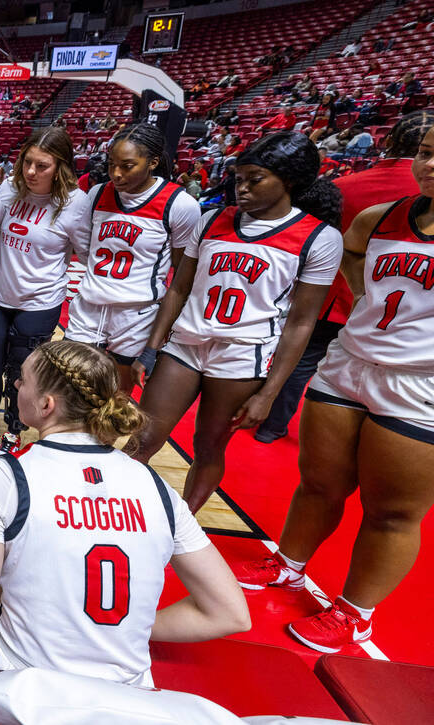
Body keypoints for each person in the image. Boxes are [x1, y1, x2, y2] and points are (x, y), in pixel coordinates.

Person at [233, 122, 434, 653]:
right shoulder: (382, 217)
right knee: (318, 482)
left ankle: (356, 612)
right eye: (426, 153)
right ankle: (290, 565)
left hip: (420, 385)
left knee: (391, 511)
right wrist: (366, 296)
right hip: (351, 361)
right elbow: (352, 255)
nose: (429, 166)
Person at [0, 340, 250, 684]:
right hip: (127, 695)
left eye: (22, 380)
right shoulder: (155, 485)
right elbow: (230, 615)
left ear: (47, 405)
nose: (16, 386)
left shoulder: (5, 475)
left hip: (27, 688)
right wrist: (120, 628)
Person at [129, 132, 345, 513]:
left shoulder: (319, 237)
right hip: (185, 344)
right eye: (238, 178)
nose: (241, 188)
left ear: (289, 181)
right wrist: (151, 348)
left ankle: (185, 525)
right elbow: (178, 289)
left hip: (244, 355)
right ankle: (115, 511)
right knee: (142, 437)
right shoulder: (212, 218)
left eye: (254, 179)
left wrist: (269, 393)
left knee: (209, 445)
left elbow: (300, 323)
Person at [254, 112, 431, 443]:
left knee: (301, 362)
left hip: (329, 293)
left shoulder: (343, 185)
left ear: (388, 141)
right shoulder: (421, 194)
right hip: (402, 320)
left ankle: (271, 424)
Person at [0, 128, 90, 457]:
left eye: (42, 166)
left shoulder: (75, 203)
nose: (31, 172)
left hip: (40, 303)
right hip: (0, 296)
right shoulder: (11, 188)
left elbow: (86, 253)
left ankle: (14, 433)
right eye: (27, 162)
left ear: (61, 167)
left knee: (21, 374)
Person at [66, 124, 202, 392]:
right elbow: (84, 248)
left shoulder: (180, 205)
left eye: (127, 166)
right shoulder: (96, 194)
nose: (116, 174)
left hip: (136, 314)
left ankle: (103, 436)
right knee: (71, 387)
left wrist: (158, 341)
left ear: (152, 162)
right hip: (89, 305)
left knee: (117, 394)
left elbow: (181, 277)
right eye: (111, 164)